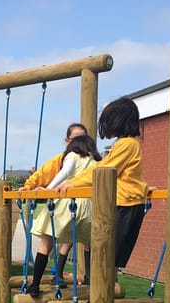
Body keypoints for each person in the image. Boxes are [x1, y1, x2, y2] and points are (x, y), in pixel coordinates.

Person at [56, 97, 149, 271]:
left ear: (119, 121)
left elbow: (104, 170)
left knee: (108, 256)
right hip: (123, 204)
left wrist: (74, 184)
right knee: (105, 255)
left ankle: (101, 297)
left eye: (109, 122)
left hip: (126, 207)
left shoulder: (127, 144)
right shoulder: (124, 144)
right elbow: (119, 172)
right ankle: (100, 295)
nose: (106, 127)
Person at [20, 132, 101, 297]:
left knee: (46, 243)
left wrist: (49, 189)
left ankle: (34, 285)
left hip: (67, 203)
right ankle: (90, 281)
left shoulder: (72, 155)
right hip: (88, 206)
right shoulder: (95, 161)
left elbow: (65, 172)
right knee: (91, 243)